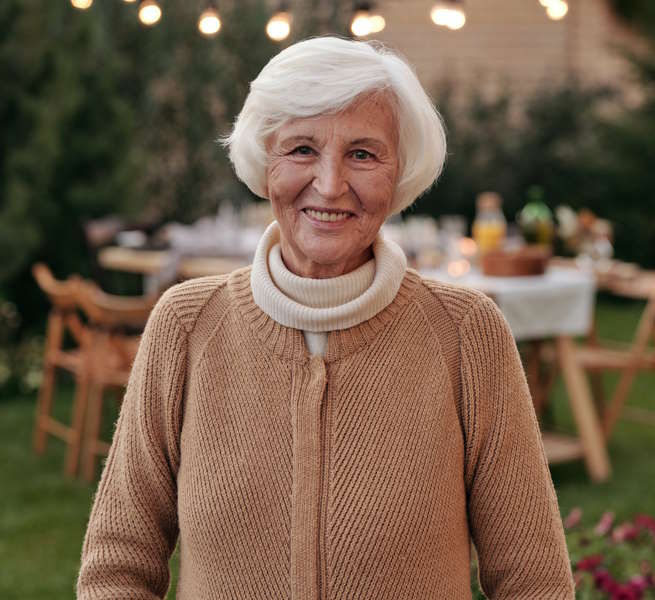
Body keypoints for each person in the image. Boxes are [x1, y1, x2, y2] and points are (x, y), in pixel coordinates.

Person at [77, 36, 574, 599]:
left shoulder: (466, 334)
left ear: (399, 172)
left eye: (363, 153)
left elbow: (534, 581)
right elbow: (118, 564)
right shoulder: (186, 326)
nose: (331, 184)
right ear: (266, 163)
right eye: (302, 150)